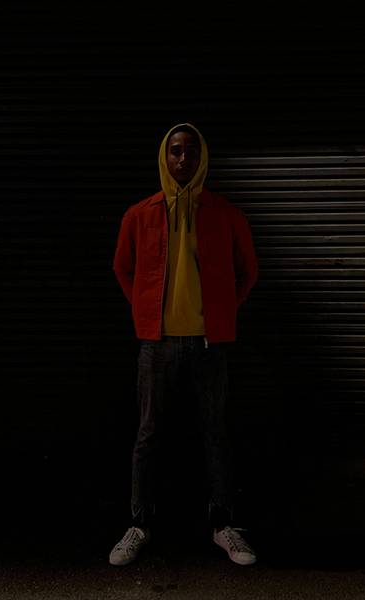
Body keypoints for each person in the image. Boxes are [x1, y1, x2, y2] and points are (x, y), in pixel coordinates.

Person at [110, 123, 259, 567]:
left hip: (209, 343)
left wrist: (221, 311)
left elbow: (248, 271)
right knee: (148, 434)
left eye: (190, 151)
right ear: (164, 156)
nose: (182, 159)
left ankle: (224, 525)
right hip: (156, 344)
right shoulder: (140, 215)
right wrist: (146, 311)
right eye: (175, 151)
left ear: (201, 157)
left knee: (216, 432)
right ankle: (139, 525)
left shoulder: (225, 214)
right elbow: (122, 268)